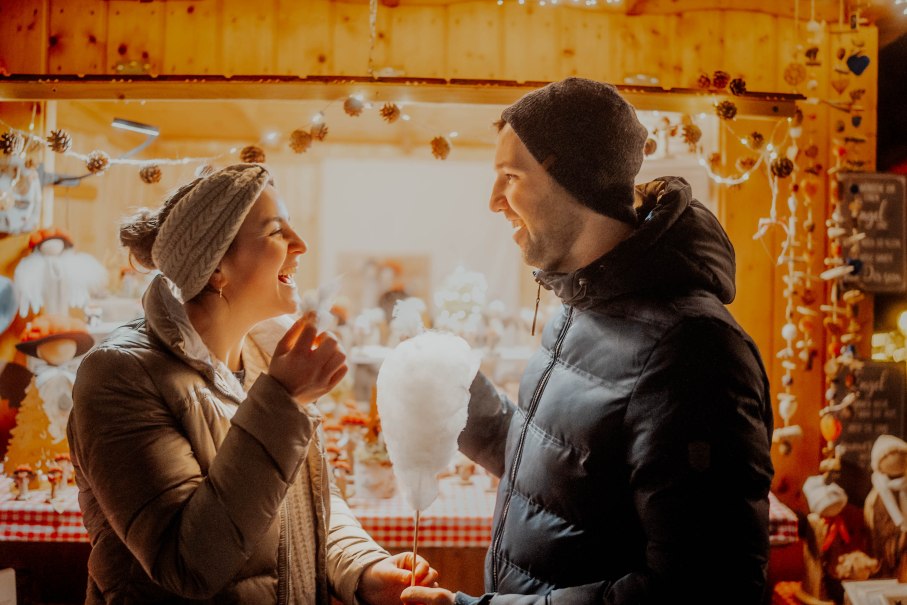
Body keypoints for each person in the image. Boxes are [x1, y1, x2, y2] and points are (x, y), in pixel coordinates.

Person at [401, 78, 774, 604]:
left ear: (576, 181)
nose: (493, 201)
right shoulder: (580, 306)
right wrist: (458, 395)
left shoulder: (694, 350)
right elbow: (566, 475)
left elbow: (703, 589)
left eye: (511, 176)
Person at [67, 164, 438, 604]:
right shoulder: (119, 375)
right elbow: (188, 564)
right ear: (216, 266)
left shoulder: (269, 357)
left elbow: (305, 503)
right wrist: (283, 401)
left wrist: (363, 568)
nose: (300, 244)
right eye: (277, 231)